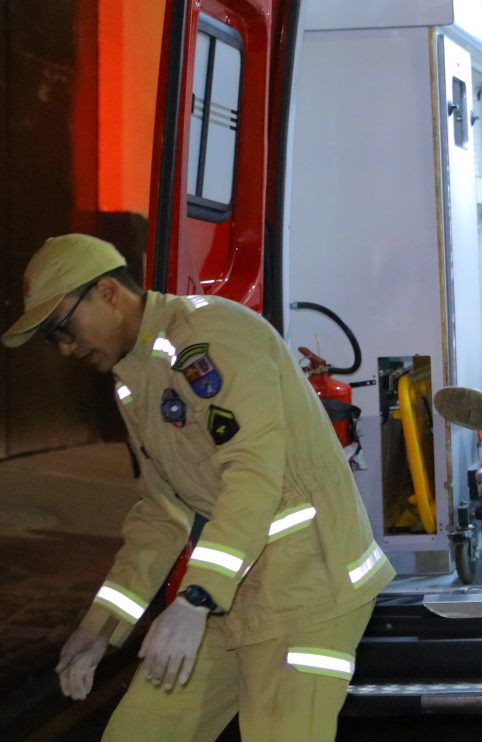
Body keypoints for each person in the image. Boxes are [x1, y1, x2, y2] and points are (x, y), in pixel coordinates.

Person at [2, 234, 395, 740]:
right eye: (50, 339)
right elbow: (162, 513)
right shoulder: (137, 374)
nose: (64, 348)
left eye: (62, 327)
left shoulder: (210, 337)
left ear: (106, 292)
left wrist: (194, 602)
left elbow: (252, 477)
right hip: (230, 593)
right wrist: (99, 628)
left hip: (308, 590)